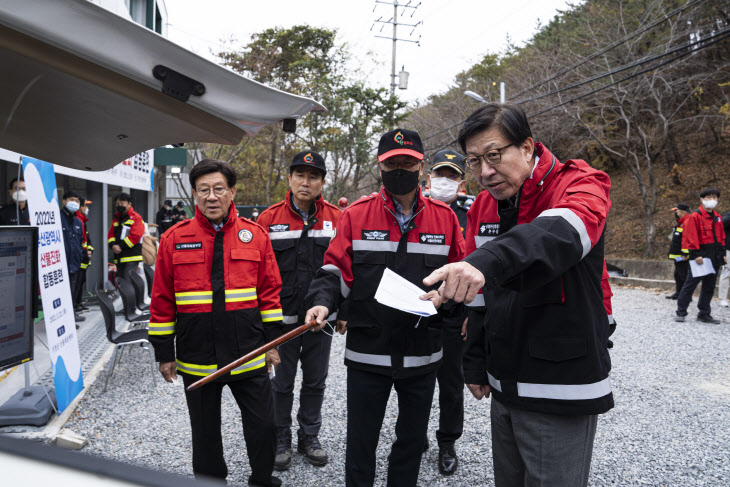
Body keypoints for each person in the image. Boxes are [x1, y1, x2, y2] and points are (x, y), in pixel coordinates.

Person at [423, 103, 613, 487]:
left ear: (527, 147)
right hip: (504, 382)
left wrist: (487, 259)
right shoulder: (484, 206)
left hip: (559, 383)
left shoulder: (579, 183)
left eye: (494, 155)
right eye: (475, 161)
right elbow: (479, 299)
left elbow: (561, 233)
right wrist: (475, 364)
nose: (486, 172)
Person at [305, 128, 466, 487]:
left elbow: (459, 276)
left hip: (423, 355)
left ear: (421, 167)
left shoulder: (445, 218)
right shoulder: (356, 215)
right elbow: (334, 272)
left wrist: (456, 311)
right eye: (392, 163)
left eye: (407, 162)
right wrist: (320, 303)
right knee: (361, 444)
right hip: (368, 354)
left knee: (410, 444)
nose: (399, 169)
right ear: (380, 167)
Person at [149, 159, 285, 487]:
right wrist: (164, 352)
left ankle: (263, 479)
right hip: (197, 357)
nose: (212, 197)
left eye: (219, 189)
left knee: (264, 426)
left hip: (249, 353)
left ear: (232, 192)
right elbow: (162, 298)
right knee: (205, 432)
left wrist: (272, 345)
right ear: (194, 195)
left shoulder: (255, 236)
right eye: (204, 190)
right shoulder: (174, 238)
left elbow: (269, 293)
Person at [256, 150, 342, 471]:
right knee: (281, 382)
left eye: (313, 177)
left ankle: (309, 436)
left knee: (316, 381)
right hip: (282, 321)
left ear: (322, 182)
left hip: (321, 320)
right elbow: (259, 274)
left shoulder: (336, 219)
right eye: (300, 175)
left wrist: (342, 311)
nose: (306, 182)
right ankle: (281, 438)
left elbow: (345, 268)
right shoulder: (268, 219)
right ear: (290, 179)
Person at [424, 149, 468, 475]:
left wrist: (472, 312)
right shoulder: (418, 211)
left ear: (461, 182)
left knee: (451, 384)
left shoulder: (472, 214)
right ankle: (415, 433)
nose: (445, 181)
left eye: (452, 175)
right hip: (422, 312)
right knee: (417, 379)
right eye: (441, 174)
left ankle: (447, 442)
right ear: (429, 177)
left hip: (456, 314)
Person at [675, 188, 726, 323]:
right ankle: (681, 311)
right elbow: (691, 236)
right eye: (709, 197)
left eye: (715, 197)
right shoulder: (695, 216)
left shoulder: (718, 217)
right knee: (690, 285)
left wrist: (722, 254)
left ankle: (704, 313)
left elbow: (721, 237)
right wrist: (696, 254)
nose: (712, 200)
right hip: (700, 254)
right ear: (702, 199)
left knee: (709, 286)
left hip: (714, 255)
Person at [60, 191, 86, 326]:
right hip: (61, 264)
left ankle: (70, 317)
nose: (74, 203)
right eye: (71, 200)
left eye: (77, 201)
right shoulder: (57, 218)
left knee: (71, 292)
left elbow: (81, 242)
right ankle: (64, 321)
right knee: (62, 294)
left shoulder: (78, 222)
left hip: (74, 264)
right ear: (64, 201)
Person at [107, 193, 145, 278]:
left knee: (128, 284)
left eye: (122, 203)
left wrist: (120, 246)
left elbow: (136, 236)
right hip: (119, 257)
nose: (119, 205)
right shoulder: (116, 218)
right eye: (117, 204)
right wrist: (113, 245)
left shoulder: (136, 218)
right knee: (122, 283)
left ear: (129, 204)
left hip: (131, 257)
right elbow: (111, 234)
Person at [666, 204, 690, 300]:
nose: (676, 213)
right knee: (678, 274)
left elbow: (686, 239)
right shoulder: (680, 222)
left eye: (677, 211)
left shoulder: (687, 222)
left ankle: (686, 295)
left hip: (683, 255)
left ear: (682, 211)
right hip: (677, 254)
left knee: (683, 274)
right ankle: (679, 292)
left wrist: (685, 254)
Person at [74, 198, 93, 312]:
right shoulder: (77, 220)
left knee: (81, 282)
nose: (87, 209)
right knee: (77, 283)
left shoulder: (82, 220)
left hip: (84, 258)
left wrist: (90, 250)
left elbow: (87, 239)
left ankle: (78, 303)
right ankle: (75, 305)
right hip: (79, 259)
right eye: (85, 206)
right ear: (80, 207)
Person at [719, 208, 730, 307]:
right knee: (726, 273)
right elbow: (722, 223)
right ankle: (723, 298)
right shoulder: (727, 217)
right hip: (728, 250)